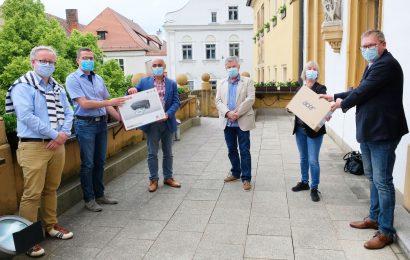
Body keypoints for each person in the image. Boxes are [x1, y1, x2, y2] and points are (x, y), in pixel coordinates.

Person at [321, 29, 408, 249]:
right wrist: (336, 96)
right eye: (363, 46)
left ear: (382, 44)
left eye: (370, 45)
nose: (366, 50)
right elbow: (360, 89)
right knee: (372, 177)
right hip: (370, 130)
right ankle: (374, 217)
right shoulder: (374, 64)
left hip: (384, 132)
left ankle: (386, 231)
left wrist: (340, 103)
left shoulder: (386, 64)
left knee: (383, 181)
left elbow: (363, 92)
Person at [5, 46, 74, 257]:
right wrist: (56, 135)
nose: (48, 65)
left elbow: (69, 111)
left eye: (51, 62)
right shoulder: (23, 86)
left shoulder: (57, 86)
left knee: (51, 188)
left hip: (57, 144)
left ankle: (51, 226)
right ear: (32, 62)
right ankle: (28, 240)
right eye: (43, 61)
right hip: (34, 145)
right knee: (32, 194)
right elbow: (26, 116)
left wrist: (63, 134)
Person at [66, 47, 129, 212]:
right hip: (85, 124)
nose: (89, 61)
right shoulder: (72, 79)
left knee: (100, 162)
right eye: (85, 58)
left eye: (91, 58)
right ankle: (89, 199)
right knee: (88, 164)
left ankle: (100, 194)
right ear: (77, 60)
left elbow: (107, 103)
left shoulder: (98, 78)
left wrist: (122, 119)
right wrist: (110, 103)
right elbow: (85, 104)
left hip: (101, 123)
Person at [127, 58, 181, 192]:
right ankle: (153, 179)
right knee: (152, 153)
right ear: (152, 68)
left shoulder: (172, 84)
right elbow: (132, 95)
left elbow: (176, 102)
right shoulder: (144, 82)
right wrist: (131, 89)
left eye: (160, 65)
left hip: (167, 122)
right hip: (152, 125)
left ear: (164, 67)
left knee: (168, 152)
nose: (157, 67)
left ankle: (168, 177)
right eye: (155, 65)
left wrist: (168, 114)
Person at [215, 56, 255, 191]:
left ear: (238, 67)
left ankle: (246, 178)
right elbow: (218, 101)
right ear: (226, 68)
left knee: (244, 150)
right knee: (231, 149)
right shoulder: (221, 83)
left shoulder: (248, 81)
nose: (232, 69)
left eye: (234, 66)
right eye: (229, 67)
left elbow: (250, 99)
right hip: (227, 122)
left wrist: (237, 113)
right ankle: (235, 172)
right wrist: (228, 113)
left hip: (242, 120)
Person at [290, 61, 327, 202]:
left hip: (314, 130)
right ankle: (304, 182)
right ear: (304, 72)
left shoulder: (321, 89)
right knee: (303, 158)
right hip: (300, 129)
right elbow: (295, 106)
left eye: (314, 69)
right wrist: (291, 107)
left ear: (317, 73)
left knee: (313, 160)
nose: (311, 71)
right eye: (309, 69)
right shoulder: (299, 89)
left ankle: (314, 187)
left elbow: (320, 107)